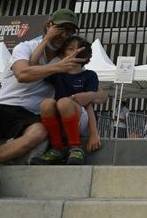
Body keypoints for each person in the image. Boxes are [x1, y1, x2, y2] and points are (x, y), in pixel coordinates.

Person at [0, 9, 106, 199]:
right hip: (2, 107)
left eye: (69, 31)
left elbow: (95, 88)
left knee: (39, 132)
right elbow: (23, 74)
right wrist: (56, 62)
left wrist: (92, 95)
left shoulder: (66, 58)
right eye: (61, 28)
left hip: (29, 117)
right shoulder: (25, 47)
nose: (64, 35)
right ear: (49, 26)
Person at [30, 36, 101, 165]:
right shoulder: (57, 73)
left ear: (86, 56)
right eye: (70, 49)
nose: (75, 52)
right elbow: (33, 65)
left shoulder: (89, 75)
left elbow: (89, 105)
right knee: (46, 103)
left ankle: (75, 148)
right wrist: (46, 39)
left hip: (80, 119)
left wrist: (93, 133)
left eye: (79, 49)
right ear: (63, 55)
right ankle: (57, 148)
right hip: (60, 120)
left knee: (63, 102)